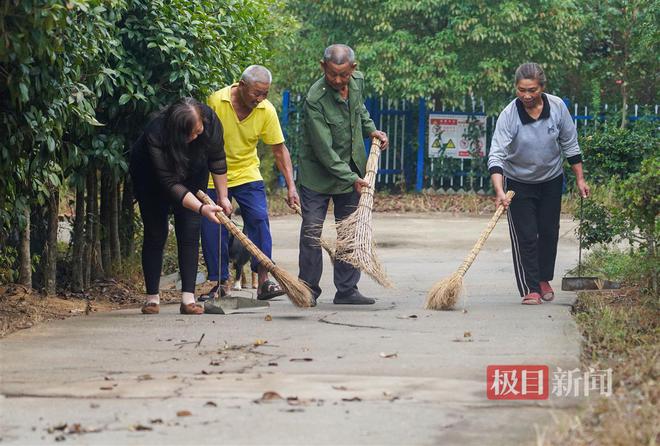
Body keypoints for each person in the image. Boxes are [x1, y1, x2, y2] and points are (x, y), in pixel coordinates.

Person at [488, 62, 590, 305]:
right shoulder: (509, 115)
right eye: (522, 89)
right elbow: (496, 155)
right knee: (525, 236)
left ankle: (544, 278)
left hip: (551, 180)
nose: (526, 95)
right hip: (517, 184)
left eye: (532, 90)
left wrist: (580, 178)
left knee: (548, 232)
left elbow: (570, 144)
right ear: (516, 88)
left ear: (542, 87)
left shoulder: (557, 108)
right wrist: (500, 190)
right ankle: (531, 287)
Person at [298, 44, 389, 306]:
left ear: (353, 69)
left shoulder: (357, 82)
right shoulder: (314, 99)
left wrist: (372, 130)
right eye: (332, 74)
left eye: (343, 75)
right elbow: (324, 151)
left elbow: (359, 112)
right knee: (311, 232)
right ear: (322, 66)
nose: (338, 80)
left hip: (351, 170)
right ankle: (308, 290)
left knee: (350, 230)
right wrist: (351, 178)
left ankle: (347, 290)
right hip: (318, 175)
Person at [200, 65, 299, 300]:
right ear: (241, 86)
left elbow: (278, 149)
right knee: (213, 225)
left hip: (247, 173)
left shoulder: (266, 110)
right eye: (257, 93)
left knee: (258, 219)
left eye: (265, 93)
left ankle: (264, 280)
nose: (261, 98)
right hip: (214, 173)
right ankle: (220, 281)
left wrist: (291, 186)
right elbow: (202, 142)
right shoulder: (216, 101)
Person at [129, 97, 231, 315]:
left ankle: (188, 299)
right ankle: (152, 298)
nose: (195, 137)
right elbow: (169, 183)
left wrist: (223, 197)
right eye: (190, 134)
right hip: (152, 177)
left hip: (193, 171)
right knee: (156, 232)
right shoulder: (156, 132)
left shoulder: (210, 123)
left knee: (190, 229)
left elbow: (217, 159)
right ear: (177, 130)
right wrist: (203, 208)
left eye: (198, 131)